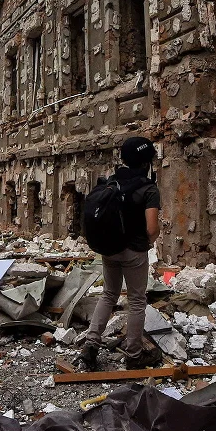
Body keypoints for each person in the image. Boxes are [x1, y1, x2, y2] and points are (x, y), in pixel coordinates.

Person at [79, 136, 162, 370]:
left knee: (108, 295)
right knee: (136, 301)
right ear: (147, 162)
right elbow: (152, 228)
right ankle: (134, 355)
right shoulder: (148, 189)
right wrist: (146, 242)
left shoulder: (112, 182)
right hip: (133, 251)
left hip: (109, 249)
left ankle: (91, 345)